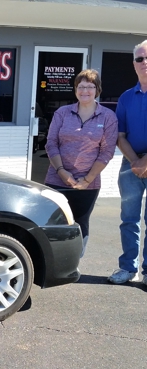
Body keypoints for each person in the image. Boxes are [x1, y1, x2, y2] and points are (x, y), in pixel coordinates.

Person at [44, 69, 118, 258]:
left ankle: (73, 262)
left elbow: (107, 151)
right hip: (56, 180)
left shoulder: (108, 117)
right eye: (81, 86)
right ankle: (51, 262)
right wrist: (61, 171)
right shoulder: (62, 113)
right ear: (75, 89)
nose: (85, 90)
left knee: (80, 223)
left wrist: (87, 179)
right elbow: (51, 143)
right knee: (53, 222)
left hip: (88, 184)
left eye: (90, 87)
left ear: (97, 89)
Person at [108, 39, 147, 284]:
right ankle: (128, 268)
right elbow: (119, 136)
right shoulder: (125, 97)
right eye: (140, 59)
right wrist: (135, 161)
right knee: (129, 219)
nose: (145, 63)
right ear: (134, 64)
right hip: (130, 165)